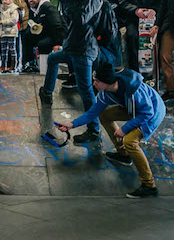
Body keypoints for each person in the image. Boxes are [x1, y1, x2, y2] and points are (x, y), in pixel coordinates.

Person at [57, 64, 164, 198]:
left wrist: (124, 129)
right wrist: (71, 125)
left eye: (97, 81)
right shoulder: (105, 93)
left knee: (130, 141)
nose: (94, 83)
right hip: (134, 109)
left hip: (153, 112)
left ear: (107, 82)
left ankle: (149, 186)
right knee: (105, 115)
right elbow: (93, 112)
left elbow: (147, 113)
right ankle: (123, 155)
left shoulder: (134, 91)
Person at [39, 0, 103, 142]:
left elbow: (81, 18)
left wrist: (67, 1)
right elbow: (70, 19)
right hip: (73, 47)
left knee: (86, 91)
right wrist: (65, 0)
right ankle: (47, 92)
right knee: (53, 59)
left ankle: (94, 130)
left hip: (84, 50)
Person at [118, 0, 161, 72]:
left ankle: (156, 71)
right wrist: (135, 10)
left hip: (152, 19)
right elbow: (122, 1)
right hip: (133, 19)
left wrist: (154, 10)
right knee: (132, 37)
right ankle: (135, 71)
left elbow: (161, 0)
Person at [23, 0, 64, 72]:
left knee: (43, 44)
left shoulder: (48, 7)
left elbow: (57, 25)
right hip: (45, 33)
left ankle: (46, 68)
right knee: (27, 36)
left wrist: (57, 43)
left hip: (55, 35)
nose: (30, 0)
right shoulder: (34, 10)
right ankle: (29, 63)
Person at [0, 0, 20, 73]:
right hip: (3, 32)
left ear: (11, 0)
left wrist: (2, 22)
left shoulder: (14, 9)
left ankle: (13, 66)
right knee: (3, 50)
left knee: (12, 49)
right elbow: (0, 17)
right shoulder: (2, 9)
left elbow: (14, 20)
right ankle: (3, 65)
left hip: (11, 32)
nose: (4, 1)